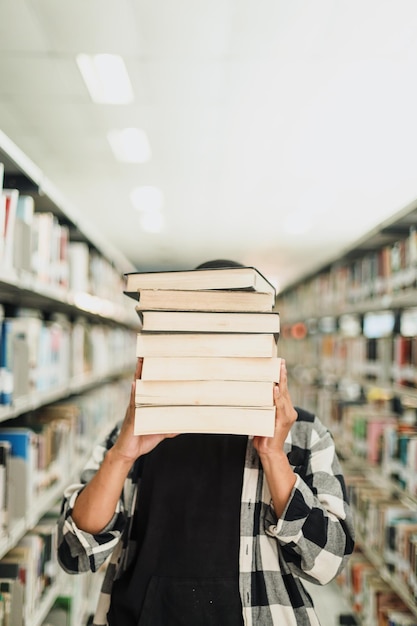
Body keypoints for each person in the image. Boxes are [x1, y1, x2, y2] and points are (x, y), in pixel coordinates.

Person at [57, 260, 355, 626]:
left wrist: (273, 454)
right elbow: (75, 554)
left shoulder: (303, 432)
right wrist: (123, 455)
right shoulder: (136, 429)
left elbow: (329, 562)